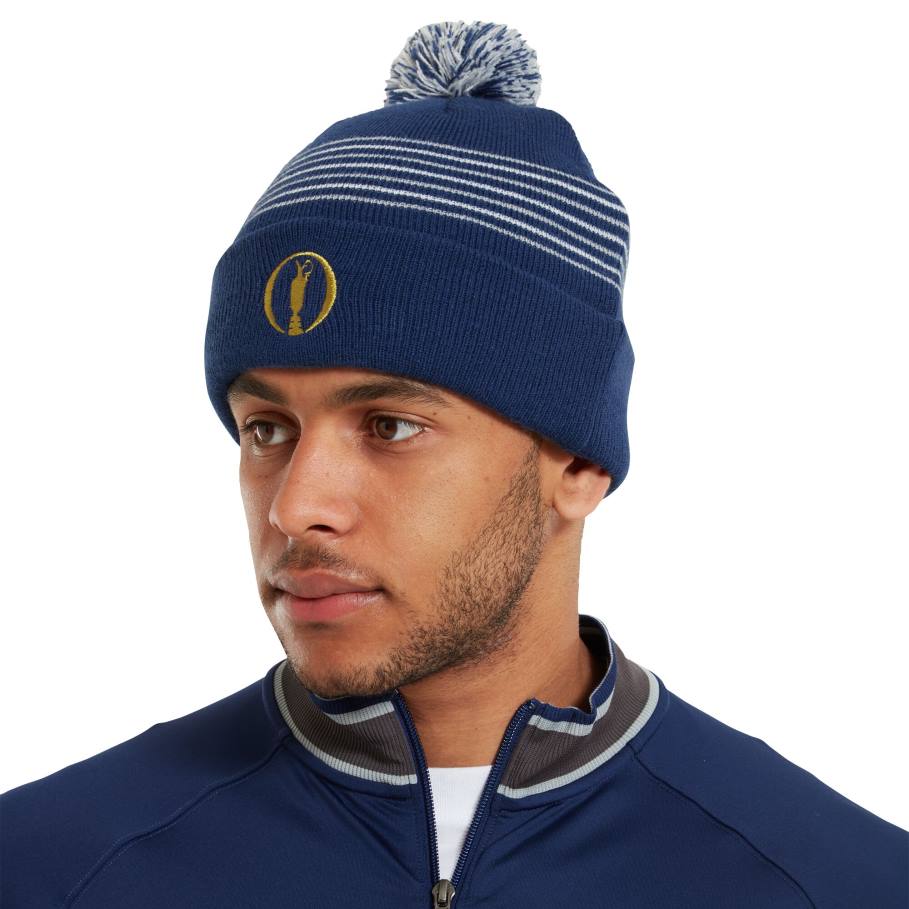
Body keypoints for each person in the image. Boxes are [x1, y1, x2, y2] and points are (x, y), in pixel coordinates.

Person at [2, 20, 906, 909]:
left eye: (389, 426)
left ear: (578, 462)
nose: (294, 507)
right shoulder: (48, 866)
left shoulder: (837, 882)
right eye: (267, 428)